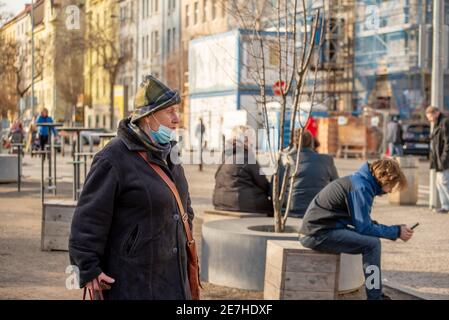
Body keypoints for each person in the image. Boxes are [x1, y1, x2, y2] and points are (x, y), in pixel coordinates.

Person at [69, 75, 196, 300]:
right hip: (133, 284)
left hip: (174, 281)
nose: (177, 119)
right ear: (147, 117)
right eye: (169, 112)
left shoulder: (171, 153)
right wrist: (88, 269)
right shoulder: (113, 158)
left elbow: (185, 208)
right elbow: (88, 220)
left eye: (177, 111)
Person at [299, 159, 413, 300]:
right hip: (317, 234)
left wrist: (396, 230)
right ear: (385, 179)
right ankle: (374, 297)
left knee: (372, 242)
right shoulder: (361, 187)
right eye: (392, 187)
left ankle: (375, 295)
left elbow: (363, 222)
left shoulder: (360, 181)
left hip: (320, 229)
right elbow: (364, 228)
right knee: (372, 245)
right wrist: (396, 232)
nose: (390, 192)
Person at [213, 125, 273, 215]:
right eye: (251, 140)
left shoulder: (225, 154)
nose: (252, 143)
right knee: (273, 208)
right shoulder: (248, 157)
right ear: (245, 140)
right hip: (240, 203)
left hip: (219, 201)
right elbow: (263, 184)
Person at [280, 129, 338, 218]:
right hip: (319, 210)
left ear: (293, 144)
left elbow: (275, 191)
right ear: (312, 143)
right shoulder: (326, 160)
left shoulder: (286, 160)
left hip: (290, 210)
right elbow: (337, 186)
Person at [426, 106, 449, 214]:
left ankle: (446, 206)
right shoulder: (438, 123)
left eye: (430, 117)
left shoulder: (444, 122)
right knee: (440, 183)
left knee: (445, 182)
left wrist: (444, 158)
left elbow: (447, 142)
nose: (429, 119)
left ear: (436, 113)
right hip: (439, 160)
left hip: (444, 160)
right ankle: (445, 206)